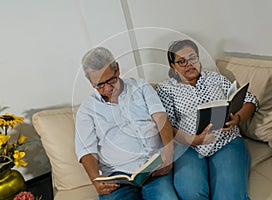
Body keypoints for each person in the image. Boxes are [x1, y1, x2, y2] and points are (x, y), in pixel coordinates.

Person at [156, 39, 259, 200]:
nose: (189, 64)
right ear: (172, 66)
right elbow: (166, 126)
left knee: (229, 197)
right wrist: (193, 140)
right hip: (188, 147)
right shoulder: (166, 89)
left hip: (225, 141)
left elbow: (250, 101)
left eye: (192, 58)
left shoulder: (215, 78)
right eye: (181, 62)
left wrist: (237, 119)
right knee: (191, 194)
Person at [74, 47, 180, 200]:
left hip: (153, 167)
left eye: (111, 80)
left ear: (117, 69)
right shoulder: (86, 111)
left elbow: (161, 118)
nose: (108, 88)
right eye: (100, 85)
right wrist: (95, 180)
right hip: (118, 177)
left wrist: (168, 155)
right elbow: (86, 150)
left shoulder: (141, 87)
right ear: (91, 82)